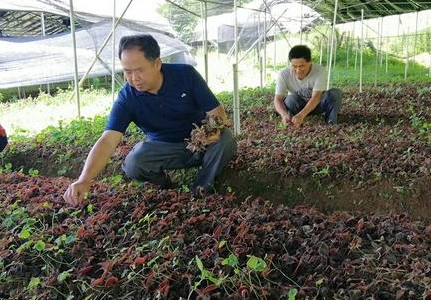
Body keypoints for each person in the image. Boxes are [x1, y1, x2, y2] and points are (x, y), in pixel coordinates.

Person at [64, 34, 236, 205]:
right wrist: (84, 179)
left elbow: (216, 111)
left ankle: (200, 191)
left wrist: (212, 131)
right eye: (127, 71)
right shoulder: (127, 97)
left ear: (157, 63)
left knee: (225, 138)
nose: (133, 78)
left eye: (139, 70)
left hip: (200, 143)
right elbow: (108, 140)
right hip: (163, 148)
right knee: (134, 162)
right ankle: (167, 188)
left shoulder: (186, 75)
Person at [273, 44, 342, 127]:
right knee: (290, 99)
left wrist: (302, 115)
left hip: (317, 105)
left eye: (301, 66)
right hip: (297, 105)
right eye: (294, 66)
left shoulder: (320, 71)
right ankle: (291, 119)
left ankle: (331, 122)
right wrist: (283, 114)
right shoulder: (283, 74)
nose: (298, 70)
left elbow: (316, 97)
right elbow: (277, 99)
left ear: (310, 62)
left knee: (335, 93)